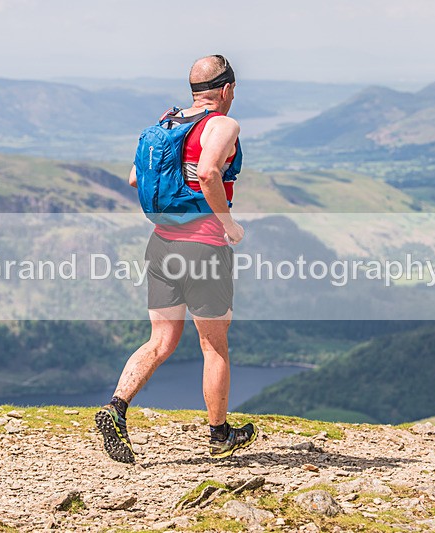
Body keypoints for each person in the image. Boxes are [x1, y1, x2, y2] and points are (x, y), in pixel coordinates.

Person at [94, 54, 256, 463]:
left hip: (162, 243)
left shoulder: (168, 122)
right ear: (227, 89)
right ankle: (219, 435)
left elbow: (135, 177)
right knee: (213, 345)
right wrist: (230, 224)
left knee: (161, 340)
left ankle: (115, 408)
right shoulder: (222, 124)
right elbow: (208, 173)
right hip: (203, 247)